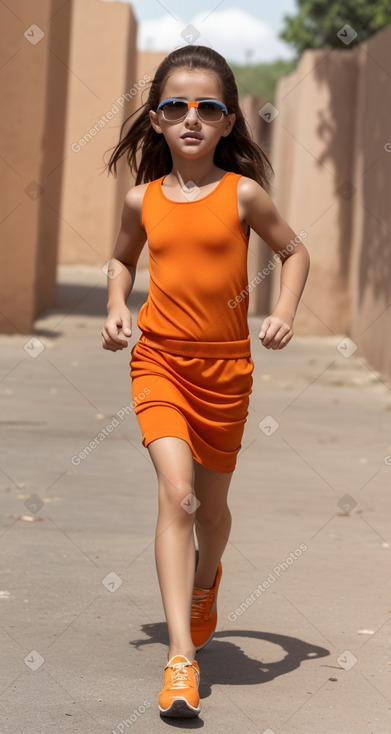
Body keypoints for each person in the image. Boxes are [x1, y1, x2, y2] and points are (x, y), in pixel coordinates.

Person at [101, 45, 310, 718]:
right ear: (157, 120)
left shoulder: (242, 193)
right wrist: (114, 307)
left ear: (226, 122)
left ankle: (204, 582)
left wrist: (281, 311)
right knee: (178, 494)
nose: (190, 118)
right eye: (174, 106)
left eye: (207, 107)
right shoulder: (141, 199)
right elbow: (120, 260)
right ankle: (180, 663)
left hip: (225, 372)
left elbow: (292, 250)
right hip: (158, 360)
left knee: (210, 516)